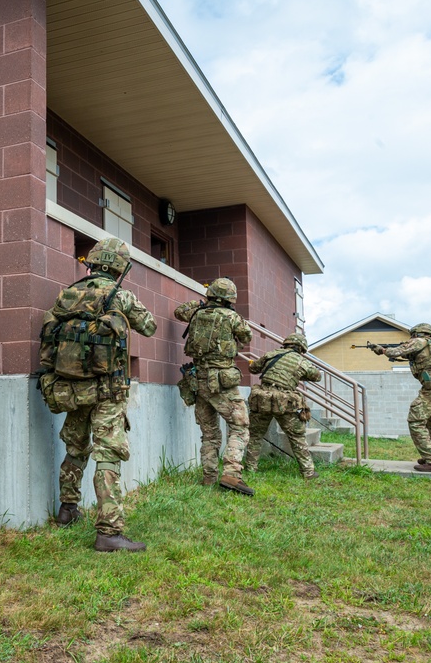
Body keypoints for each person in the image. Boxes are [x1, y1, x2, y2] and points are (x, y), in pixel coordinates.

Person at [38, 237, 157, 553]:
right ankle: (109, 531)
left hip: (73, 387)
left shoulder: (67, 295)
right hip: (107, 389)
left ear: (91, 262)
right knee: (107, 453)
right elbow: (149, 326)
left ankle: (68, 509)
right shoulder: (121, 295)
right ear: (118, 268)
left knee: (76, 447)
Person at [174, 278, 254, 494]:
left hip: (198, 380)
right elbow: (247, 336)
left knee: (209, 433)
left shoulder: (196, 313)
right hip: (221, 381)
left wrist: (201, 305)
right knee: (240, 426)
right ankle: (231, 474)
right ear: (230, 298)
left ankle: (209, 477)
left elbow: (179, 311)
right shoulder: (232, 317)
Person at [370, 323, 431, 472]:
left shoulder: (419, 341)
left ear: (417, 333)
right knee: (430, 423)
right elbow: (411, 355)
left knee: (415, 421)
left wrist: (382, 350)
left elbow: (395, 352)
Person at [244, 333, 322, 478]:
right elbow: (317, 376)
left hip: (263, 399)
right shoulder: (300, 361)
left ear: (285, 344)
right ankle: (308, 471)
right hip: (285, 402)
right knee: (296, 437)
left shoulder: (271, 355)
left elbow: (253, 368)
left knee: (255, 436)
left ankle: (250, 469)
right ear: (301, 348)